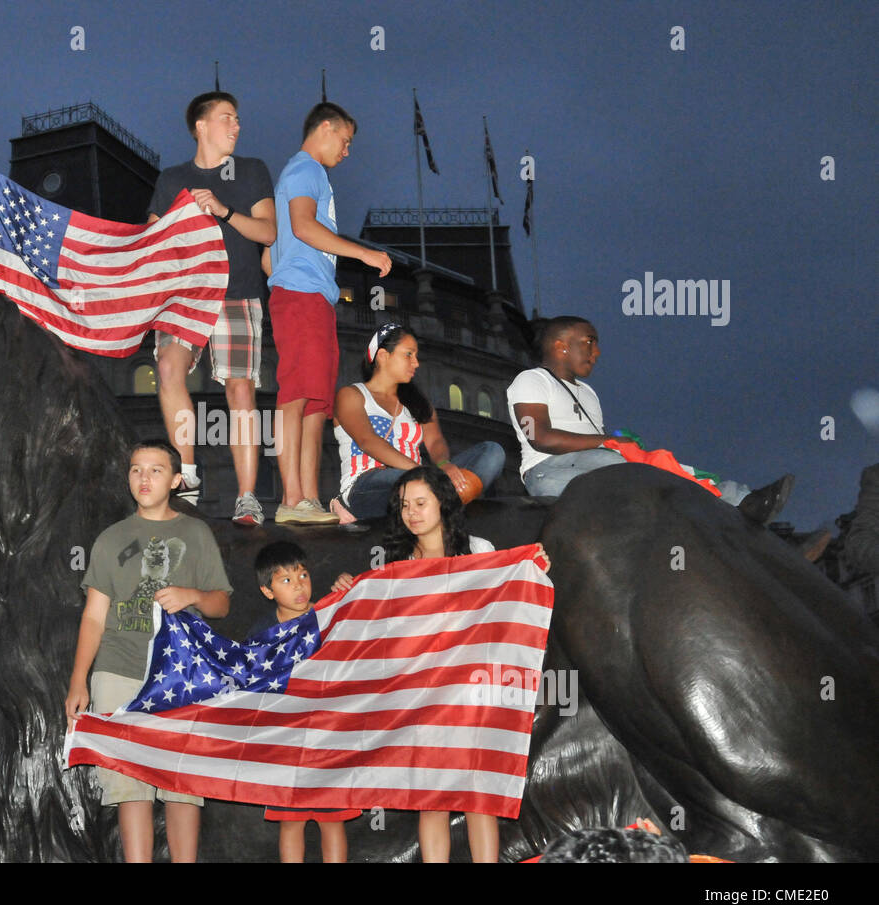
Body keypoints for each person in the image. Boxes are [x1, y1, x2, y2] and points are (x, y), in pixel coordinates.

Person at [65, 439, 232, 862]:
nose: (144, 478)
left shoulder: (195, 533)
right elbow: (94, 616)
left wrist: (192, 594)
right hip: (118, 670)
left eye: (156, 470)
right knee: (128, 784)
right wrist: (78, 680)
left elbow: (221, 604)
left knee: (182, 785)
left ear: (176, 480)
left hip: (181, 675)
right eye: (137, 469)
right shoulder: (111, 538)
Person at [333, 466, 508, 862]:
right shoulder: (395, 564)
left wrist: (533, 572)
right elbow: (380, 627)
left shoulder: (479, 550)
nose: (412, 513)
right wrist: (351, 592)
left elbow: (506, 604)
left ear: (443, 504)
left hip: (471, 692)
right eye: (405, 505)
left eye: (421, 503)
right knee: (431, 798)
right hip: (422, 698)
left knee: (478, 795)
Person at [506, 315, 793, 522]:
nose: (597, 352)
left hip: (590, 463)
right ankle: (740, 500)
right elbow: (539, 437)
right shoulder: (532, 379)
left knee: (659, 469)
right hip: (548, 471)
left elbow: (599, 445)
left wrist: (616, 443)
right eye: (589, 342)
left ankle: (736, 509)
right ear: (561, 346)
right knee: (635, 465)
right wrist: (610, 441)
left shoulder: (589, 393)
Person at [147, 92, 277, 525]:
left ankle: (246, 497)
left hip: (237, 292)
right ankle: (187, 475)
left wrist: (223, 211)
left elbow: (268, 232)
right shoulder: (171, 179)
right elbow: (149, 241)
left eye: (238, 119)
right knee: (168, 367)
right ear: (201, 126)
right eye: (228, 118)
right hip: (185, 296)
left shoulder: (253, 171)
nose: (237, 126)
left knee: (240, 389)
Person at [268, 102, 392, 524]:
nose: (347, 151)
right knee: (297, 395)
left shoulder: (303, 174)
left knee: (315, 402)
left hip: (313, 295)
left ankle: (306, 498)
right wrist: (364, 254)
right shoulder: (306, 169)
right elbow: (303, 226)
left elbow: (276, 247)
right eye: (346, 140)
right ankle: (290, 498)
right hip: (301, 294)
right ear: (325, 128)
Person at [247, 540, 359, 862]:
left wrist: (349, 590)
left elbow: (363, 620)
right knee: (290, 824)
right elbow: (248, 684)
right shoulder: (262, 634)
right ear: (267, 591)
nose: (299, 586)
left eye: (303, 576)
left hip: (329, 738)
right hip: (286, 742)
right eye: (286, 580)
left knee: (332, 822)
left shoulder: (329, 613)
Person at [332, 323, 506, 521]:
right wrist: (422, 472)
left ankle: (443, 499)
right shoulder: (351, 395)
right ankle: (447, 499)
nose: (416, 363)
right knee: (419, 482)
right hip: (368, 484)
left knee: (492, 451)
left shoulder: (419, 403)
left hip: (421, 480)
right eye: (408, 354)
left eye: (416, 356)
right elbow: (367, 440)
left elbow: (435, 441)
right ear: (383, 356)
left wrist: (443, 464)